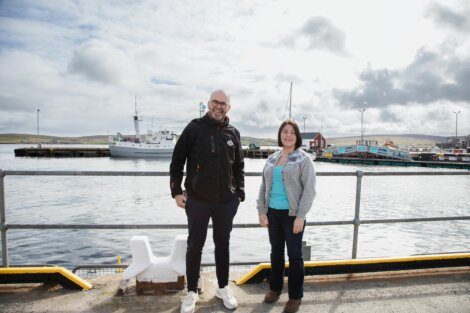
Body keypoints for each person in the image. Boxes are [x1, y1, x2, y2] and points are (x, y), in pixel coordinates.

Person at [170, 90, 245, 313]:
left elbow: (239, 166)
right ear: (208, 104)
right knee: (195, 246)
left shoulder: (233, 133)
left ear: (228, 107)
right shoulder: (194, 128)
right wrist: (176, 192)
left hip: (226, 202)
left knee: (223, 245)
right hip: (198, 201)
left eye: (223, 103)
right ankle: (192, 291)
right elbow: (177, 161)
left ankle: (223, 287)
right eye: (215, 102)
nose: (218, 106)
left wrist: (239, 194)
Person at [257, 119, 316, 313]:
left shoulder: (303, 159)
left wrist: (301, 216)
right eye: (284, 131)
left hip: (292, 215)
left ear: (297, 136)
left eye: (292, 132)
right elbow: (263, 186)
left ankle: (295, 296)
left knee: (295, 256)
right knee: (276, 253)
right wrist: (261, 210)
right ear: (280, 135)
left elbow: (309, 190)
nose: (288, 135)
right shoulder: (272, 158)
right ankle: (275, 288)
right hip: (272, 213)